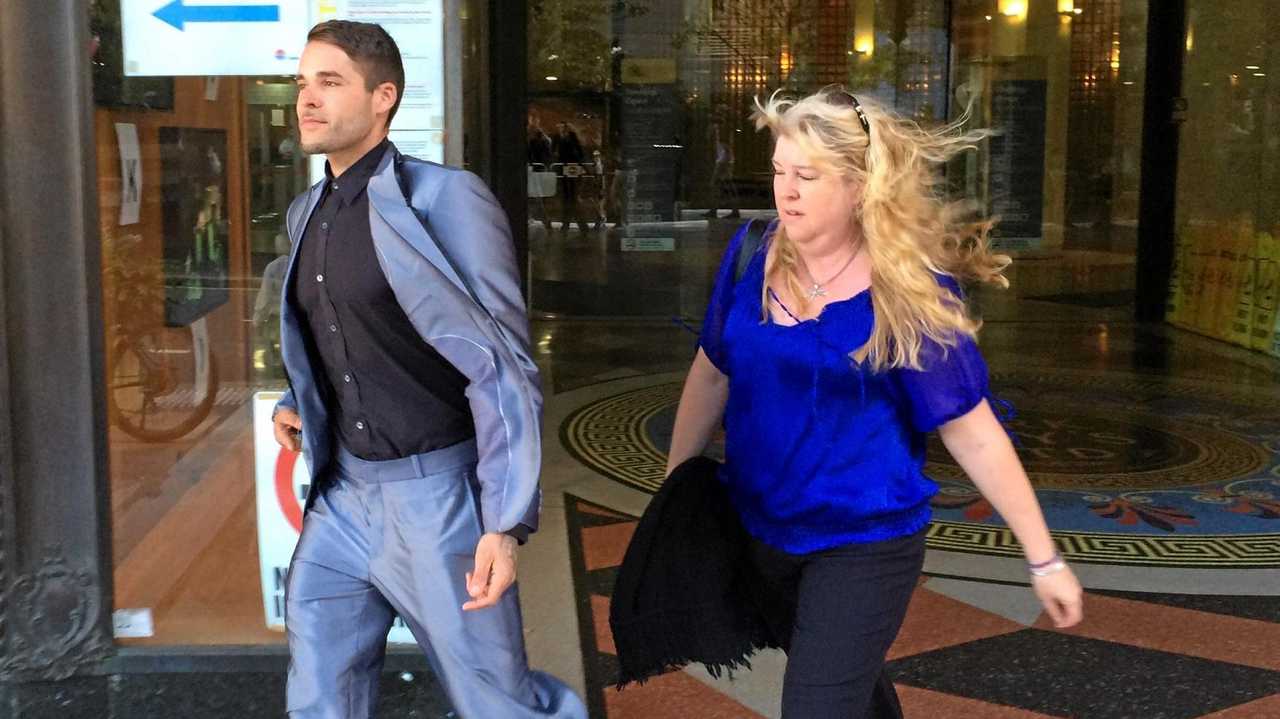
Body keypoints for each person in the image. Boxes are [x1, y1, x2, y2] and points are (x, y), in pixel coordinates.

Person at [663, 88, 1084, 718]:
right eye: (780, 172)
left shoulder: (905, 287)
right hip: (762, 530)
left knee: (817, 704)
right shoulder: (752, 252)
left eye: (808, 176)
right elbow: (710, 374)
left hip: (865, 540)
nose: (787, 191)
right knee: (845, 686)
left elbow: (971, 431)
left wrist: (1043, 557)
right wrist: (676, 492)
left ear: (860, 186)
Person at [272, 20, 585, 719]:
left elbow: (503, 365)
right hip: (342, 496)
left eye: (329, 82)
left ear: (383, 97)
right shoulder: (305, 214)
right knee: (319, 694)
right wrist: (298, 400)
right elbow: (336, 337)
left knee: (497, 703)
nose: (307, 99)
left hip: (437, 501)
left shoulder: (444, 200)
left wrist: (503, 522)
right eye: (302, 83)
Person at [553, 121, 588, 233]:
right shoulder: (562, 138)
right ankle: (574, 223)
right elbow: (555, 150)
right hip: (567, 166)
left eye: (563, 127)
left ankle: (573, 222)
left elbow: (575, 151)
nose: (561, 129)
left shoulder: (569, 138)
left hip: (570, 166)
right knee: (568, 193)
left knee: (570, 192)